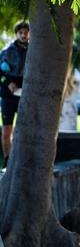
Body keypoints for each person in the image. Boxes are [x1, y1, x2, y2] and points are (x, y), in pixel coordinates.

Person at [0, 20, 29, 167]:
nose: (24, 35)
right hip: (7, 95)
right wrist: (7, 82)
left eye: (26, 32)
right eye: (21, 33)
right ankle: (7, 161)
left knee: (22, 130)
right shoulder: (7, 51)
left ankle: (20, 161)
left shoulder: (34, 51)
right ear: (16, 34)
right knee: (7, 131)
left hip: (25, 94)